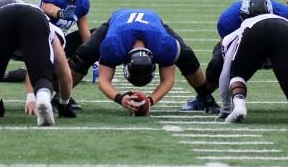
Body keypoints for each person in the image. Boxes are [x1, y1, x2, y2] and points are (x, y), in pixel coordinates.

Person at [68, 8, 220, 114]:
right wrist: (121, 99)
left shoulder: (163, 45)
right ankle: (61, 97)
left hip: (153, 24)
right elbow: (103, 81)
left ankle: (206, 98)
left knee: (186, 56)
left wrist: (150, 101)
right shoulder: (114, 45)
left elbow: (168, 80)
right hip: (118, 20)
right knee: (86, 53)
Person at [0, 0, 74, 126]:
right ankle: (44, 100)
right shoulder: (53, 30)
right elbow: (65, 75)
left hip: (1, 18)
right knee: (42, 75)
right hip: (34, 20)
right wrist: (64, 103)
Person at [220, 0, 288, 125]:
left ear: (244, 14)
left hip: (252, 31)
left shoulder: (241, 27)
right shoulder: (285, 18)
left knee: (237, 75)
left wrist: (225, 108)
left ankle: (239, 106)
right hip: (284, 29)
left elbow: (226, 72)